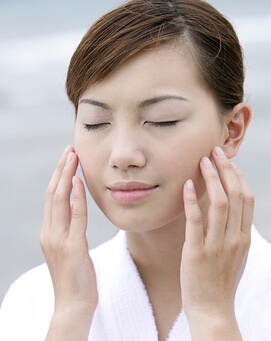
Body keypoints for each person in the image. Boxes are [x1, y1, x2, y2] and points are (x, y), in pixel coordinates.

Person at [1, 0, 271, 340]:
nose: (123, 154)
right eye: (96, 123)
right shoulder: (34, 301)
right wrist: (71, 315)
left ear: (232, 130)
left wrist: (212, 318)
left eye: (162, 120)